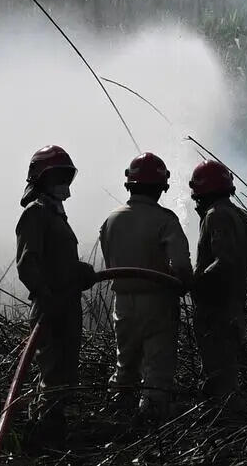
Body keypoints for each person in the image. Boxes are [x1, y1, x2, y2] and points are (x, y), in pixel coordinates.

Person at [97, 152, 193, 423]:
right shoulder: (166, 220)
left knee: (125, 361)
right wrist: (184, 285)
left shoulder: (111, 220)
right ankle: (151, 420)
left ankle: (118, 413)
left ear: (129, 184)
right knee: (157, 366)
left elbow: (109, 258)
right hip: (158, 302)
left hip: (123, 303)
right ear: (162, 187)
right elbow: (182, 266)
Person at [14, 144, 97, 442]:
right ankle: (43, 434)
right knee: (51, 371)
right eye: (56, 176)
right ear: (41, 179)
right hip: (50, 306)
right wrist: (45, 296)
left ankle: (52, 425)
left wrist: (81, 272)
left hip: (67, 304)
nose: (62, 183)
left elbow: (59, 262)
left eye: (65, 176)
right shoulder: (35, 215)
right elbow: (27, 263)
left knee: (65, 372)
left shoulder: (55, 214)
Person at [188, 159, 247, 405]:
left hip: (217, 311)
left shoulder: (216, 216)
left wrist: (196, 283)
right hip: (236, 306)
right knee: (228, 372)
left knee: (218, 379)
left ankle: (223, 428)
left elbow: (224, 261)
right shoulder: (242, 216)